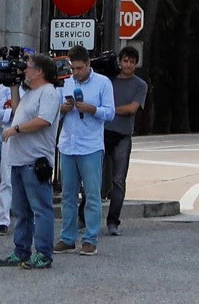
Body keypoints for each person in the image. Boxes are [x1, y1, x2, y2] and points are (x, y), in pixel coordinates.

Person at [0, 53, 61, 270]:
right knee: (22, 211)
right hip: (19, 159)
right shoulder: (30, 93)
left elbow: (43, 120)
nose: (25, 70)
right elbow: (18, 113)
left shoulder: (49, 92)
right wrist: (14, 87)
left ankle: (43, 254)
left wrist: (15, 129)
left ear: (40, 71)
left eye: (29, 67)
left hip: (35, 161)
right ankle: (21, 251)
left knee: (41, 209)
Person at [52, 46, 114, 255]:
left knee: (92, 194)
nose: (76, 72)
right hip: (68, 145)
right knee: (68, 195)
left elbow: (111, 113)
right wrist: (63, 109)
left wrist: (91, 109)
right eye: (73, 68)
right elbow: (54, 112)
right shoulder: (65, 82)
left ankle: (90, 238)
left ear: (88, 64)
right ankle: (67, 238)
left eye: (79, 68)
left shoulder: (103, 83)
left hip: (90, 146)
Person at [102, 45, 146, 236]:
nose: (127, 65)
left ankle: (113, 221)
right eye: (125, 60)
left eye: (132, 62)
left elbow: (132, 108)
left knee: (118, 180)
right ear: (119, 61)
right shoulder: (107, 81)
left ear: (136, 64)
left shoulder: (140, 85)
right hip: (102, 133)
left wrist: (109, 110)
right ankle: (83, 218)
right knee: (93, 178)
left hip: (122, 136)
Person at [0, 58, 18, 231]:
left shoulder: (30, 85)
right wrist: (13, 111)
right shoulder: (4, 86)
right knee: (6, 177)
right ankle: (3, 220)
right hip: (9, 132)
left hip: (27, 132)